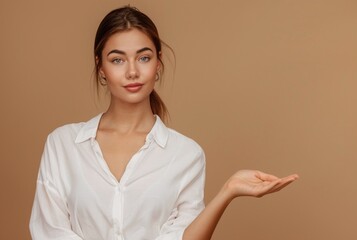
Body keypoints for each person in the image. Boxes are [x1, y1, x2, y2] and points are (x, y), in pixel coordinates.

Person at [29, 6, 298, 240]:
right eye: (117, 59)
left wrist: (227, 192)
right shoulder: (62, 145)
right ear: (101, 67)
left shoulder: (186, 154)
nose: (132, 71)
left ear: (158, 63)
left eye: (144, 57)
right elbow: (49, 232)